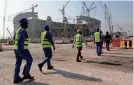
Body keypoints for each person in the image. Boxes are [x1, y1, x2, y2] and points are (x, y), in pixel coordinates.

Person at [13, 18, 34, 84]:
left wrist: (17, 49)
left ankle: (16, 78)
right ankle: (26, 74)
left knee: (18, 63)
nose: (27, 25)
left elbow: (14, 39)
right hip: (22, 49)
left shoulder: (17, 31)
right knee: (30, 59)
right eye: (27, 23)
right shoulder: (23, 31)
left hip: (16, 49)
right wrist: (21, 50)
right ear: (24, 24)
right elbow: (21, 40)